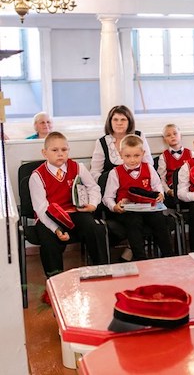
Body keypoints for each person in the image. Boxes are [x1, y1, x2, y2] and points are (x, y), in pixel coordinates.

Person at [29, 132, 107, 278]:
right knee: (48, 239)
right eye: (54, 150)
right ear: (44, 153)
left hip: (73, 211)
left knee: (95, 228)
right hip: (49, 216)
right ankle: (55, 278)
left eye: (64, 150)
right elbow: (40, 209)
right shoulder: (37, 176)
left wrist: (92, 204)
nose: (60, 154)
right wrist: (56, 228)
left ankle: (101, 271)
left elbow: (93, 188)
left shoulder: (77, 167)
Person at [102, 134, 174, 261]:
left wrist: (160, 194)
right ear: (121, 154)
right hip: (127, 210)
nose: (132, 160)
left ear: (143, 153)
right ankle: (140, 258)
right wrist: (114, 207)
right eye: (128, 156)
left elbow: (157, 185)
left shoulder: (149, 168)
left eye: (136, 155)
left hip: (147, 207)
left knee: (159, 219)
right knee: (134, 222)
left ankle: (168, 256)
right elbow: (107, 197)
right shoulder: (115, 173)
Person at [90, 105, 153, 182]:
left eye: (123, 119)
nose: (119, 123)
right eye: (115, 120)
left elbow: (148, 164)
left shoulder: (139, 136)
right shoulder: (102, 142)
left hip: (137, 182)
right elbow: (95, 172)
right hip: (112, 184)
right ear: (110, 122)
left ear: (129, 121)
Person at [156, 123, 194, 208]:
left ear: (181, 135)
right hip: (173, 187)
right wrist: (168, 191)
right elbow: (161, 179)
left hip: (189, 186)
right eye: (168, 135)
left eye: (175, 133)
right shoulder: (163, 156)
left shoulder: (190, 153)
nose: (172, 136)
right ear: (165, 139)